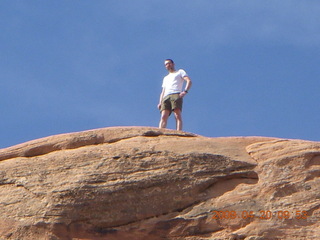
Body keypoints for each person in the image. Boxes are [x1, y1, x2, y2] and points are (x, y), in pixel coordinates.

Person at [157, 59, 192, 131]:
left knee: (177, 115)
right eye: (166, 64)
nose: (167, 65)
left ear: (173, 64)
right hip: (166, 96)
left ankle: (179, 132)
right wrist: (160, 102)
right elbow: (163, 91)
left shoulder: (180, 72)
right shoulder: (165, 78)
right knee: (163, 116)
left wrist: (185, 91)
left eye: (169, 63)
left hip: (176, 94)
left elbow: (189, 81)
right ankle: (160, 131)